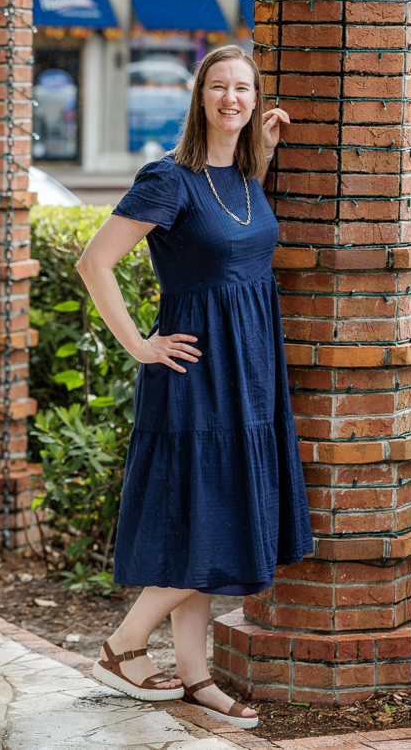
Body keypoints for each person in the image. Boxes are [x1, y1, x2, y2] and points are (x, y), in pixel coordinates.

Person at [76, 45, 313, 730]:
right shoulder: (168, 179)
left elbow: (234, 234)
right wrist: (139, 345)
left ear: (254, 98)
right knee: (217, 520)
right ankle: (123, 644)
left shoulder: (246, 175)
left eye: (243, 88)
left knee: (207, 517)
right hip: (196, 374)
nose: (230, 98)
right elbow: (94, 261)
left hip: (251, 371)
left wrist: (263, 146)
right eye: (218, 87)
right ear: (199, 97)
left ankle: (195, 675)